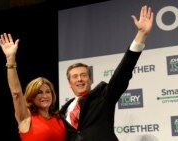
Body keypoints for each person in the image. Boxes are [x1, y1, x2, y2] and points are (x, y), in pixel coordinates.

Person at [59, 5, 154, 141]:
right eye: (75, 77)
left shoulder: (103, 96)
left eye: (83, 75)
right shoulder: (63, 111)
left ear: (90, 80)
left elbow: (122, 74)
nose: (79, 79)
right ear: (69, 83)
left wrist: (141, 35)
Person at [0, 33, 67, 141]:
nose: (44, 95)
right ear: (31, 97)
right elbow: (16, 93)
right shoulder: (26, 117)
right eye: (39, 92)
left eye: (48, 92)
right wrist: (10, 59)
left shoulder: (59, 119)